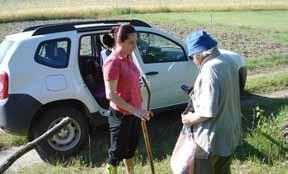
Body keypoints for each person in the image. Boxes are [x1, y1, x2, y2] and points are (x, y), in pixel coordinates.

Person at [182, 30, 242, 174]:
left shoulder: (209, 70)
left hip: (212, 141)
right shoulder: (229, 61)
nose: (193, 61)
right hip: (230, 134)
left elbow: (208, 112)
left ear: (200, 54)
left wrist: (189, 119)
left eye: (192, 57)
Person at [103, 24, 152, 174]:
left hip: (134, 113)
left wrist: (141, 110)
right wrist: (136, 110)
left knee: (130, 149)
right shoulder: (113, 63)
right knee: (116, 153)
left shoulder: (128, 58)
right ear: (120, 41)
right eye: (131, 42)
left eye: (135, 42)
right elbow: (110, 95)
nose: (135, 46)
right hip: (121, 115)